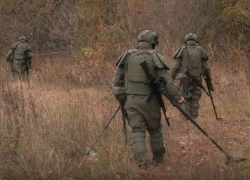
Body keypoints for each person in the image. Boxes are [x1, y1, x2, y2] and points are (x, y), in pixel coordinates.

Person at [112, 30, 185, 169]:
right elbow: (167, 80)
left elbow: (116, 83)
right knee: (155, 130)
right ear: (153, 43)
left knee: (137, 131)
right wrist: (178, 97)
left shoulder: (127, 56)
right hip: (150, 102)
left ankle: (141, 163)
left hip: (131, 101)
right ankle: (158, 160)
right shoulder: (155, 57)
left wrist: (123, 100)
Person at [170, 33, 213, 119]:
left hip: (184, 79)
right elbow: (206, 68)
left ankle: (186, 119)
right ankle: (194, 117)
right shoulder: (200, 51)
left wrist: (171, 78)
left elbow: (175, 67)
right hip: (197, 79)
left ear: (185, 41)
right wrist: (208, 81)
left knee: (184, 96)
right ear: (196, 41)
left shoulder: (181, 51)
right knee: (195, 97)